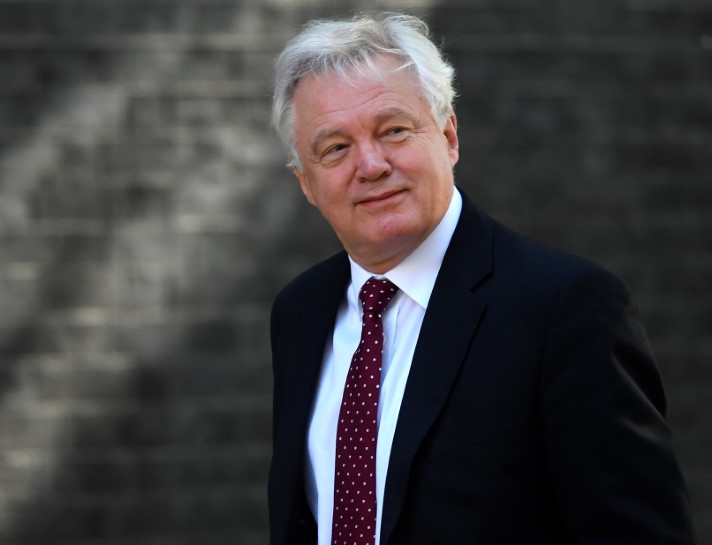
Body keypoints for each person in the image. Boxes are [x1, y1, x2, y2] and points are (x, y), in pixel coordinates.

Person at [267, 12, 695, 545]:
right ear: (306, 183)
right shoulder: (300, 311)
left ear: (448, 136)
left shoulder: (565, 308)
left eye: (393, 130)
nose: (371, 164)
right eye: (336, 148)